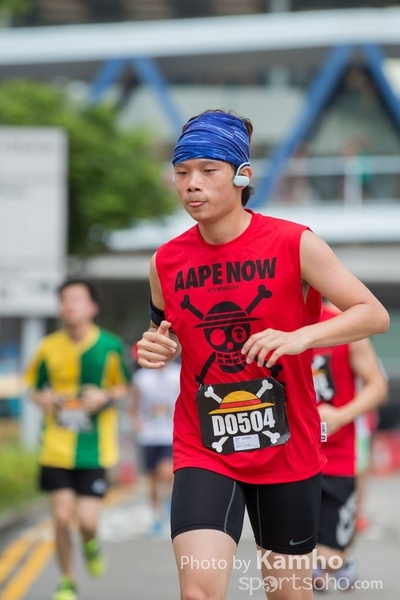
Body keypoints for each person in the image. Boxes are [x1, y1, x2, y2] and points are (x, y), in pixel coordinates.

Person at [136, 109, 389, 600]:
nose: (192, 184)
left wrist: (300, 337)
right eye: (182, 172)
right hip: (206, 444)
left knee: (287, 594)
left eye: (208, 170)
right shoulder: (164, 261)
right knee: (198, 592)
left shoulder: (294, 243)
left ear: (241, 175)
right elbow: (161, 333)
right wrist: (154, 347)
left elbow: (373, 315)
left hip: (286, 445)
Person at [25, 279, 130, 600]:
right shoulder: (47, 347)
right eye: (64, 300)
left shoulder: (109, 345)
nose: (69, 305)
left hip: (95, 450)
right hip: (55, 447)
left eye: (76, 299)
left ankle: (90, 544)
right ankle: (67, 581)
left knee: (86, 521)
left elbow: (124, 387)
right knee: (60, 517)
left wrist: (105, 397)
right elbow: (34, 387)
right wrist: (42, 399)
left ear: (92, 307)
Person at [311, 301, 388, 590]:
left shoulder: (346, 325)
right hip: (290, 453)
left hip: (338, 451)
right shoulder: (272, 323)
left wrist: (341, 416)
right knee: (289, 550)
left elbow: (378, 386)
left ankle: (341, 557)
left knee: (329, 559)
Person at [130, 358, 180, 535]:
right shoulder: (141, 377)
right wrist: (136, 422)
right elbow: (134, 405)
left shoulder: (177, 373)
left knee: (167, 472)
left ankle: (168, 501)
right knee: (152, 481)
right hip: (149, 436)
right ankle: (157, 516)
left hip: (171, 433)